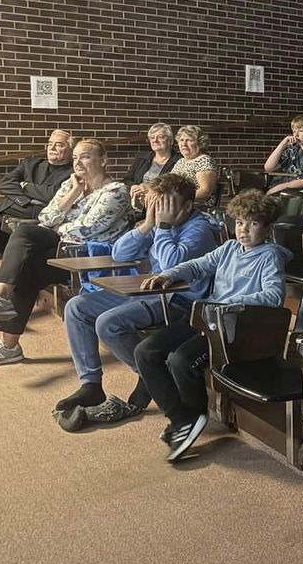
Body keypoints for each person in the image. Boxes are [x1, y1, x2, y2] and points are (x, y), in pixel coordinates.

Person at [138, 189, 290, 462]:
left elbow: (273, 296)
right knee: (146, 351)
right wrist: (169, 274)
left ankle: (193, 416)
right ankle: (182, 418)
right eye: (239, 222)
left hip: (234, 328)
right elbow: (198, 265)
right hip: (206, 316)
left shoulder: (270, 256)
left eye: (253, 223)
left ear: (268, 228)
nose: (243, 230)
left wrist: (228, 303)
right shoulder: (229, 248)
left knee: (181, 360)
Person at [54, 173, 217, 427]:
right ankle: (91, 384)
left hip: (179, 300)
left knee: (108, 323)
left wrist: (162, 228)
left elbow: (172, 266)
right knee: (76, 308)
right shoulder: (160, 222)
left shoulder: (199, 229)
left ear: (187, 206)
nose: (161, 211)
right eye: (157, 204)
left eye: (167, 205)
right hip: (148, 291)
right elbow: (120, 254)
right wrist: (147, 225)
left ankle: (151, 376)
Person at [0, 139, 132, 367]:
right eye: (75, 158)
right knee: (25, 246)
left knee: (27, 252)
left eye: (85, 157)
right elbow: (45, 217)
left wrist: (57, 226)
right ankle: (1, 307)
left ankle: (4, 326)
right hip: (64, 247)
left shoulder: (116, 191)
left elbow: (87, 229)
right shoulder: (71, 184)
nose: (78, 163)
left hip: (88, 255)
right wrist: (74, 193)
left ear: (103, 160)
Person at [0, 129, 74, 302]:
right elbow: (4, 184)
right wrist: (27, 200)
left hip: (35, 218)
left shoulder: (72, 173)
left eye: (59, 145)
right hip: (9, 211)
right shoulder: (31, 164)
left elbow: (54, 195)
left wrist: (25, 186)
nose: (52, 148)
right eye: (50, 144)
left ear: (70, 150)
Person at [123, 123, 180, 210]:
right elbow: (126, 180)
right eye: (152, 138)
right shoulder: (141, 158)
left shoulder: (179, 160)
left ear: (170, 141)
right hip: (136, 204)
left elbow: (176, 187)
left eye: (160, 137)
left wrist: (150, 188)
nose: (155, 140)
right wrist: (134, 186)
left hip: (162, 207)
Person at [170, 125, 218, 207]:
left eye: (189, 140)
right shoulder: (181, 161)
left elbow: (204, 192)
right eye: (181, 140)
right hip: (178, 205)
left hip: (196, 207)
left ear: (200, 143)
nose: (184, 144)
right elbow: (168, 182)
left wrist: (178, 199)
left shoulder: (204, 160)